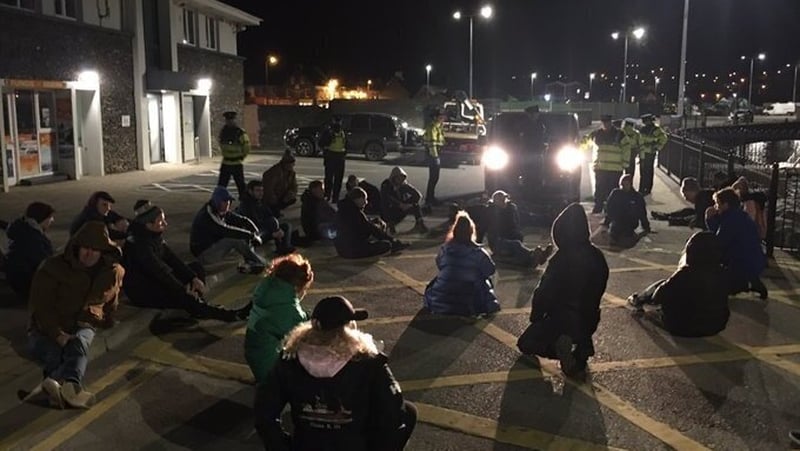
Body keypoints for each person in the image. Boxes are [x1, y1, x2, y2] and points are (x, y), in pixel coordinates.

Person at [255, 295, 417, 451]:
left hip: (306, 445)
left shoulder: (289, 360)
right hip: (355, 445)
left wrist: (281, 446)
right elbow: (393, 414)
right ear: (348, 328)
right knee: (408, 412)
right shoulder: (368, 363)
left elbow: (264, 412)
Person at [25, 221, 124, 408]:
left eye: (95, 249)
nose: (89, 254)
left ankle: (56, 386)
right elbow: (41, 308)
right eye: (85, 248)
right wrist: (58, 334)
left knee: (79, 342)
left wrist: (107, 319)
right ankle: (67, 388)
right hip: (45, 327)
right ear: (76, 247)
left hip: (85, 322)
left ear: (103, 250)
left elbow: (110, 300)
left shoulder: (112, 271)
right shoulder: (52, 267)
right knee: (55, 353)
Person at [517, 203, 609, 377]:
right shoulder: (597, 256)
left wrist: (536, 317)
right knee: (579, 329)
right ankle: (581, 349)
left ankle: (559, 345)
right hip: (589, 318)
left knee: (526, 344)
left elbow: (543, 293)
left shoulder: (561, 260)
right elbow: (600, 287)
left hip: (561, 318)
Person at [123, 204, 245, 322]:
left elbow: (172, 259)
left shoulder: (153, 236)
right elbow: (160, 271)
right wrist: (182, 290)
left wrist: (192, 278)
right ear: (148, 225)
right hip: (143, 289)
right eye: (161, 222)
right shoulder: (139, 244)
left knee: (196, 268)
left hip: (156, 279)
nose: (165, 224)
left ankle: (196, 304)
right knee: (182, 296)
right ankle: (225, 314)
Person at [627, 231, 730, 337]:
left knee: (654, 308)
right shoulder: (722, 272)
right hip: (716, 326)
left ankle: (638, 299)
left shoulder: (685, 274)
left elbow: (658, 296)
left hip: (684, 327)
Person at [245, 254, 313, 385]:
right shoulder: (290, 310)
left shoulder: (266, 290)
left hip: (256, 359)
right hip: (271, 370)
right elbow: (305, 334)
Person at [423, 211, 500, 316]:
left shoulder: (445, 249)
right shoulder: (478, 252)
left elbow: (440, 265)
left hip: (440, 301)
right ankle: (487, 303)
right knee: (485, 277)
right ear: (471, 231)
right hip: (467, 303)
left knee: (441, 277)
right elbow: (491, 270)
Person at [706, 187, 768, 298]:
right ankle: (749, 281)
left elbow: (719, 242)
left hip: (740, 262)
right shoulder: (740, 216)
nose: (716, 207)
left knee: (720, 289)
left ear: (726, 205)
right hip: (754, 259)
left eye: (717, 203)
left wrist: (709, 220)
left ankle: (740, 284)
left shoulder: (730, 220)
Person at [190, 186, 266, 274]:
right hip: (204, 254)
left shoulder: (219, 210)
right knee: (234, 239)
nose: (228, 204)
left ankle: (251, 262)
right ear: (217, 201)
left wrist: (254, 231)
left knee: (242, 235)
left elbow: (242, 220)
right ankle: (260, 263)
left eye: (229, 201)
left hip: (214, 246)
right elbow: (226, 230)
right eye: (225, 201)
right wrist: (251, 235)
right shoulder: (207, 215)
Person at [335, 187, 407, 259]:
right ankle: (395, 245)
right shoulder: (355, 212)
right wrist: (393, 241)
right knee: (386, 245)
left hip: (342, 248)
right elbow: (371, 230)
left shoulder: (343, 209)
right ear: (358, 199)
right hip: (352, 250)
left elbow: (361, 225)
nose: (366, 202)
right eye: (364, 199)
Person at [486, 190, 551, 268]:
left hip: (510, 238)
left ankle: (538, 257)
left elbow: (517, 222)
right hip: (497, 242)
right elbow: (492, 230)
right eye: (500, 200)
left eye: (504, 200)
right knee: (515, 244)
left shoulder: (511, 208)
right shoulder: (491, 212)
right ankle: (533, 256)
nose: (503, 202)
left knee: (517, 242)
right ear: (495, 202)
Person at [5, 202, 55, 302]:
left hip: (20, 279)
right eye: (50, 217)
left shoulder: (25, 230)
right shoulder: (32, 238)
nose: (52, 220)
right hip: (28, 283)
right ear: (42, 219)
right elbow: (44, 263)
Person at [238, 180, 294, 255]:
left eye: (262, 190)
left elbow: (270, 215)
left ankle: (284, 247)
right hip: (253, 233)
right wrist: (272, 233)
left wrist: (276, 228)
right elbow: (253, 223)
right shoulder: (246, 204)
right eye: (258, 190)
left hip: (266, 228)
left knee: (286, 226)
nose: (261, 193)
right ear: (250, 191)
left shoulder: (260, 202)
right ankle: (281, 246)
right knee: (269, 226)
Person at [583, 115, 626, 214]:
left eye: (607, 122)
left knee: (613, 190)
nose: (605, 124)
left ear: (610, 122)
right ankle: (598, 207)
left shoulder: (620, 134)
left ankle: (611, 209)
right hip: (601, 168)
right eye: (604, 122)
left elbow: (626, 148)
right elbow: (586, 142)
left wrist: (625, 163)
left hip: (615, 168)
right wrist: (576, 145)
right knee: (600, 189)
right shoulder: (597, 134)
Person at [604, 174, 651, 246]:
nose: (624, 187)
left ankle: (625, 233)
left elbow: (642, 213)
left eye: (626, 184)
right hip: (618, 221)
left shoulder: (637, 197)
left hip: (630, 222)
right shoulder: (616, 193)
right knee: (615, 232)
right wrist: (607, 222)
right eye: (622, 185)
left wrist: (646, 226)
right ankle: (616, 234)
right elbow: (609, 208)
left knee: (626, 235)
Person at [380, 166, 428, 234]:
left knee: (416, 206)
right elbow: (387, 198)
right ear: (394, 177)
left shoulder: (403, 185)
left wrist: (407, 187)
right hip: (389, 210)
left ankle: (419, 224)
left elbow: (418, 195)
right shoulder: (386, 185)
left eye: (402, 178)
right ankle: (390, 224)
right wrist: (400, 205)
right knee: (387, 207)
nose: (401, 180)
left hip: (401, 208)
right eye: (399, 178)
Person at [218, 111, 251, 200]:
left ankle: (245, 202)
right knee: (221, 185)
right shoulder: (223, 131)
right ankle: (218, 201)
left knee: (241, 185)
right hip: (226, 162)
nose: (229, 121)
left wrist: (241, 156)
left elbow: (246, 146)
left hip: (236, 162)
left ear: (234, 120)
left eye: (231, 120)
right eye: (228, 120)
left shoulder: (239, 132)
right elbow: (221, 144)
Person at [637, 114, 668, 195]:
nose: (644, 123)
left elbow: (664, 138)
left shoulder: (656, 129)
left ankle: (647, 189)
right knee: (643, 171)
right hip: (643, 153)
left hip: (650, 153)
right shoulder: (643, 129)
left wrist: (657, 147)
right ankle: (642, 188)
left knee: (648, 171)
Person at [262, 152, 298, 218]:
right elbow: (268, 188)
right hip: (273, 196)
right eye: (290, 164)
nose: (292, 166)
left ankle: (276, 209)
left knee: (292, 198)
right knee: (272, 202)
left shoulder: (291, 173)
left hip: (281, 194)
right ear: (285, 164)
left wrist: (291, 193)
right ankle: (272, 210)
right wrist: (273, 198)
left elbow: (294, 186)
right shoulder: (274, 172)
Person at [320, 116, 347, 202]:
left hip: (334, 157)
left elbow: (321, 143)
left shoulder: (333, 132)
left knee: (332, 178)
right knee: (333, 179)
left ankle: (331, 196)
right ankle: (332, 197)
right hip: (336, 157)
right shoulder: (338, 132)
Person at [422, 110, 446, 207]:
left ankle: (431, 197)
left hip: (436, 154)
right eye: (441, 116)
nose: (443, 118)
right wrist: (435, 157)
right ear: (436, 117)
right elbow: (432, 143)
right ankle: (429, 199)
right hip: (433, 155)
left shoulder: (438, 127)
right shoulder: (432, 127)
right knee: (433, 178)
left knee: (434, 178)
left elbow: (441, 140)